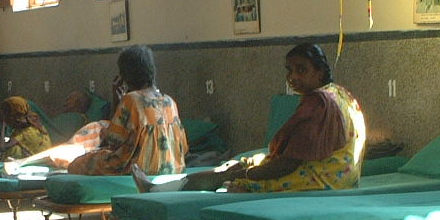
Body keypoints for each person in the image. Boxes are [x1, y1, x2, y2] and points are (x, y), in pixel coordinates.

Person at [132, 43, 367, 194]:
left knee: (231, 174)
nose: (292, 77)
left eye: (301, 70)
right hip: (343, 177)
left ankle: (156, 191)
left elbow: (289, 163)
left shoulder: (319, 103)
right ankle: (158, 189)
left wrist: (246, 176)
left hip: (321, 181)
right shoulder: (339, 93)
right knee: (237, 164)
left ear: (320, 72)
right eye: (289, 70)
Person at [67, 45, 188, 176]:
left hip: (135, 168)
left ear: (125, 76)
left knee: (77, 164)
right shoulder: (170, 101)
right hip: (172, 167)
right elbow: (183, 147)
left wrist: (117, 103)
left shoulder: (131, 99)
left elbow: (113, 141)